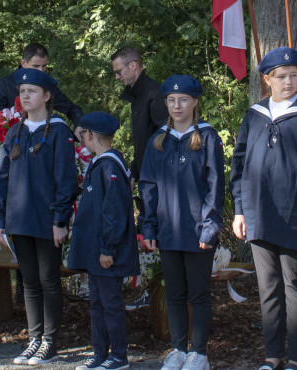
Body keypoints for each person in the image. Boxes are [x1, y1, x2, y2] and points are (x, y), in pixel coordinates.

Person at [230, 48, 297, 370]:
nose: (288, 81)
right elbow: (239, 165)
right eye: (281, 76)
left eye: (293, 75)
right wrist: (240, 210)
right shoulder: (254, 116)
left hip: (296, 218)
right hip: (259, 215)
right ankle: (272, 358)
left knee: (296, 288)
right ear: (267, 80)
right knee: (268, 288)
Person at [139, 75, 224, 370]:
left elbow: (215, 186)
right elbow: (148, 186)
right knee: (174, 294)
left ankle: (199, 354)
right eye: (171, 100)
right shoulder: (158, 141)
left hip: (198, 230)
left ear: (195, 102)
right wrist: (148, 226)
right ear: (165, 103)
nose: (177, 105)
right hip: (167, 231)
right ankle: (177, 350)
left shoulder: (208, 138)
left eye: (183, 99)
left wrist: (210, 227)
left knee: (198, 294)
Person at [0, 68, 78, 366]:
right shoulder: (15, 131)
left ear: (46, 96)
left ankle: (50, 341)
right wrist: (0, 219)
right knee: (29, 283)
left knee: (48, 280)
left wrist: (60, 220)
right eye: (22, 92)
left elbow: (66, 180)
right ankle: (34, 338)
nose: (25, 96)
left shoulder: (58, 131)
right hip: (19, 219)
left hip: (46, 220)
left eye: (31, 91)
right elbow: (3, 178)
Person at [68, 112, 139, 370]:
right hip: (96, 250)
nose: (81, 139)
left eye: (83, 134)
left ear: (90, 135)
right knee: (97, 304)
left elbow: (115, 211)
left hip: (108, 252)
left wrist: (108, 248)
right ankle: (100, 353)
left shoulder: (110, 166)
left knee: (110, 305)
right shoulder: (100, 163)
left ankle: (118, 356)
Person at [110, 46, 168, 184]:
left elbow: (167, 135)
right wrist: (135, 172)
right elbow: (142, 140)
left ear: (133, 65)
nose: (117, 77)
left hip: (158, 177)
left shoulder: (154, 93)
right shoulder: (137, 95)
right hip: (146, 175)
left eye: (118, 71)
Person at [0, 43, 83, 125]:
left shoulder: (47, 84)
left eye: (44, 66)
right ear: (23, 63)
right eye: (36, 66)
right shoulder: (5, 84)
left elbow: (72, 109)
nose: (41, 71)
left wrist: (80, 127)